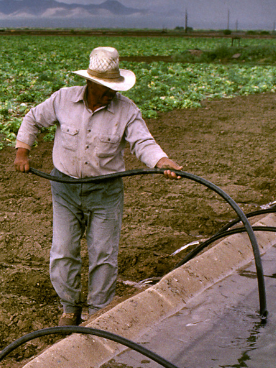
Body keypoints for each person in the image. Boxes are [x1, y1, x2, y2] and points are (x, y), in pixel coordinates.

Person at [13, 46, 181, 327]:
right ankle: (69, 308)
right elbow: (33, 119)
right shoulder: (63, 99)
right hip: (65, 188)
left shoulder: (126, 110)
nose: (110, 93)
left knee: (103, 253)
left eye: (113, 87)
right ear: (90, 82)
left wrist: (161, 160)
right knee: (64, 250)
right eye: (104, 87)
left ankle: (98, 312)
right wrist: (22, 150)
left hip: (105, 191)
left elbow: (142, 142)